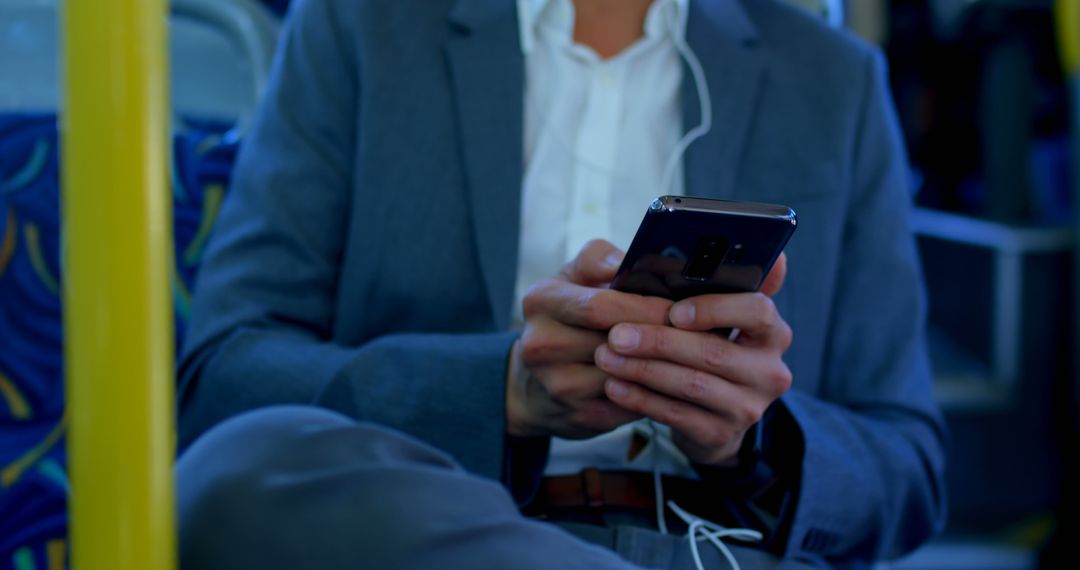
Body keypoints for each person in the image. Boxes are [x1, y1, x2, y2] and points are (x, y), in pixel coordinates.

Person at [176, 0, 947, 567]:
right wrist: (503, 392)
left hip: (718, 545)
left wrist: (755, 441)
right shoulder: (361, 28)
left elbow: (907, 469)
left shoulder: (829, 77)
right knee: (237, 465)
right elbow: (220, 380)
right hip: (426, 530)